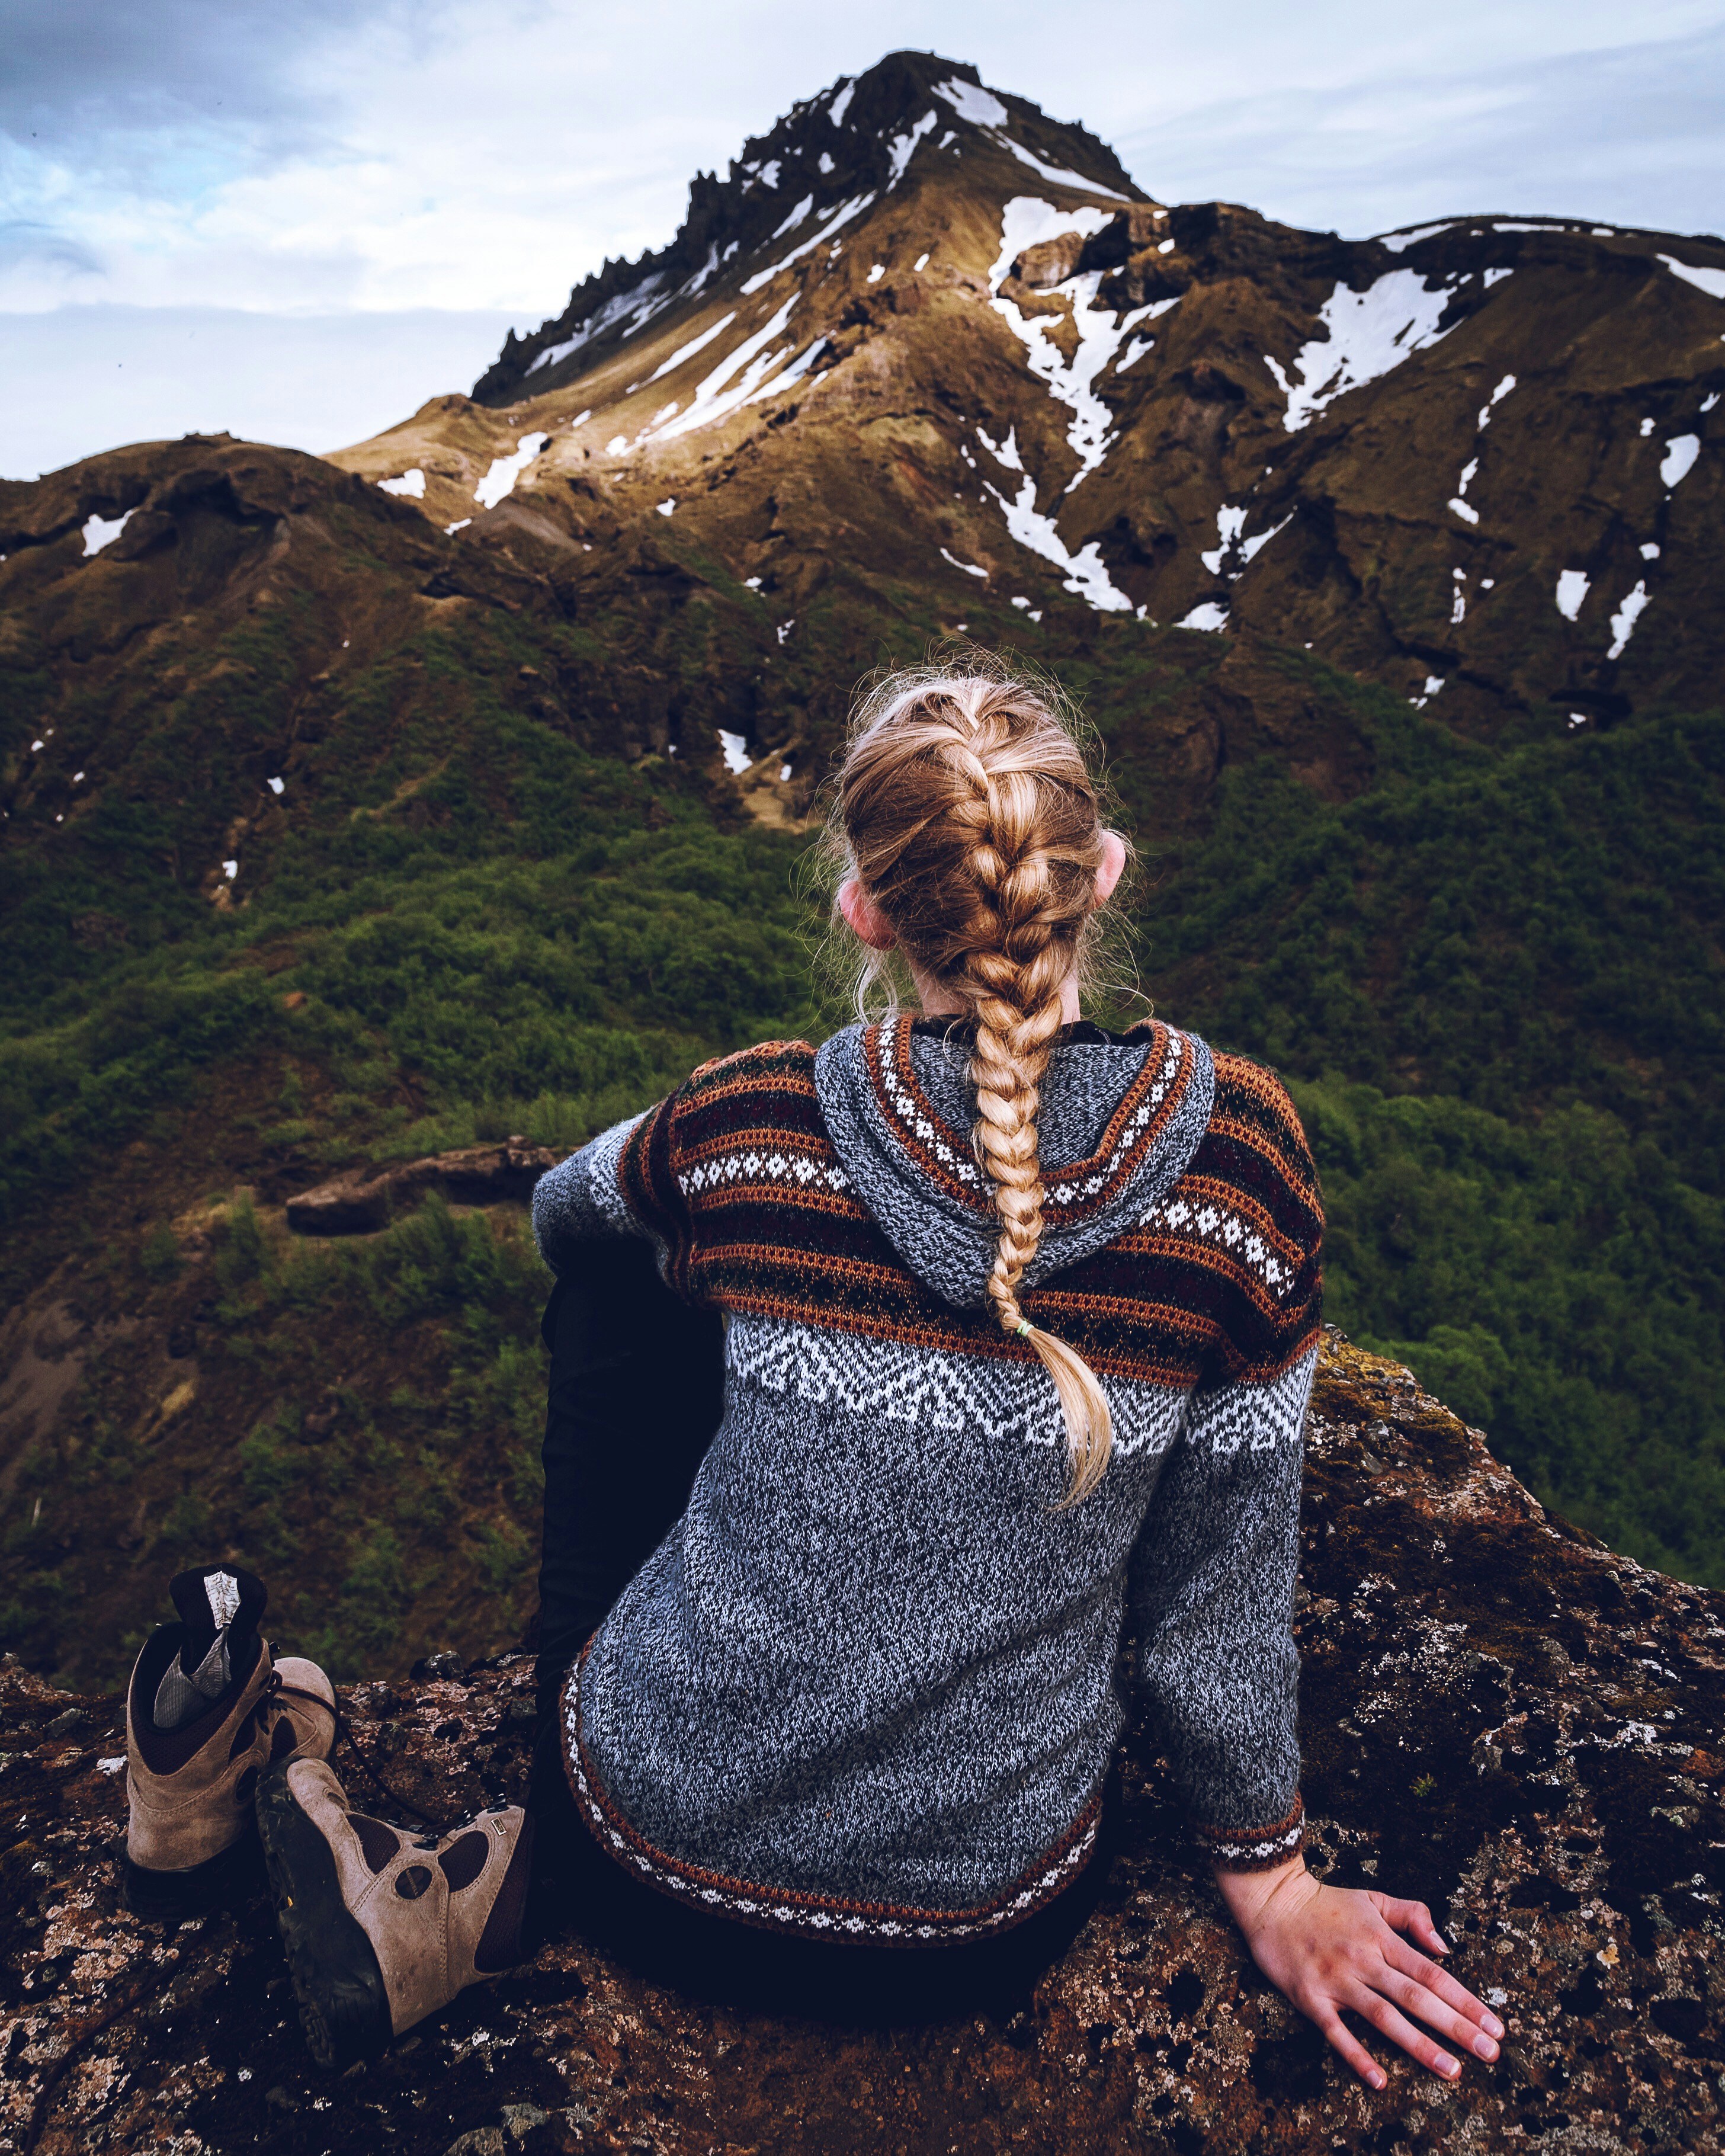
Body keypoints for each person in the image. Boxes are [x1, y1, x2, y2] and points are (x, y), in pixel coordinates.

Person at [123, 660, 1502, 2085]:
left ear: (861, 905)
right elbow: (1218, 1588)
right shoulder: (1239, 1160)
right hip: (980, 1921)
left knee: (624, 1277)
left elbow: (565, 1218)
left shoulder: (759, 1115)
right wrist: (1270, 1880)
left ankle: (527, 1824)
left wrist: (746, 1260)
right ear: (1101, 873)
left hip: (646, 1854)